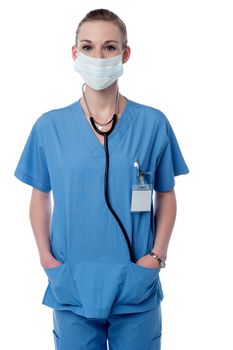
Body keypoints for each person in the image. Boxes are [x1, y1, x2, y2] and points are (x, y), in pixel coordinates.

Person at [14, 8, 190, 350]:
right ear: (74, 53)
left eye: (109, 47)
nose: (98, 56)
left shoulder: (153, 124)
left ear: (125, 54)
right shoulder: (49, 127)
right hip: (72, 282)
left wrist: (157, 256)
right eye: (88, 46)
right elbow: (39, 196)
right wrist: (46, 259)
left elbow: (165, 194)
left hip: (135, 283)